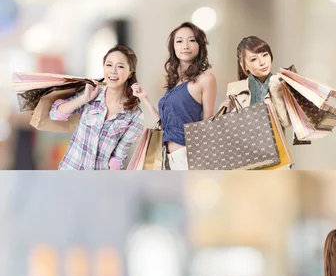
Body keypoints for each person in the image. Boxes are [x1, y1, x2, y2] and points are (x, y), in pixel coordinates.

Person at [133, 22, 217, 170]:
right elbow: (166, 124)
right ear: (173, 48)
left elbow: (208, 121)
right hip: (167, 157)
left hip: (188, 156)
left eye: (191, 40)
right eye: (179, 41)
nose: (185, 46)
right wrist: (144, 98)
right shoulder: (176, 82)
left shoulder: (206, 78)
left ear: (200, 45)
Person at [49, 46, 144, 170]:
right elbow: (55, 114)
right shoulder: (92, 93)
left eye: (120, 66)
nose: (113, 71)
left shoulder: (135, 115)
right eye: (109, 65)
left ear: (130, 72)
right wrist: (83, 99)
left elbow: (117, 159)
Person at [223, 36, 290, 129]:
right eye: (254, 59)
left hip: (275, 143)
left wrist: (275, 89)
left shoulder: (281, 85)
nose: (262, 62)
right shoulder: (234, 89)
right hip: (245, 142)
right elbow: (225, 128)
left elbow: (285, 123)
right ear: (244, 65)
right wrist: (227, 113)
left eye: (265, 55)